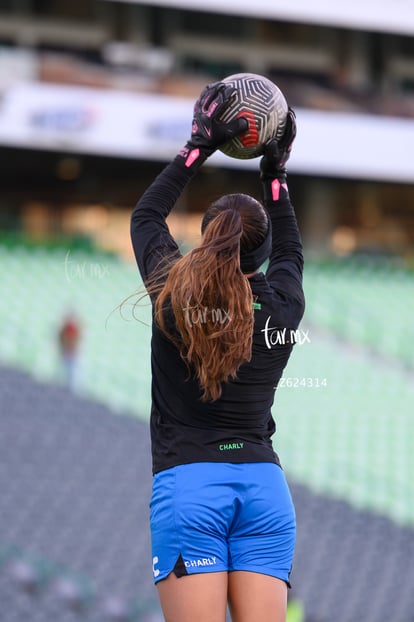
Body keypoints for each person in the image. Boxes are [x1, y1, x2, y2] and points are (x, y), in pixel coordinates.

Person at [130, 81, 305, 622]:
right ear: (265, 252)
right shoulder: (283, 307)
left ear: (206, 241)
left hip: (190, 491)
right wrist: (274, 177)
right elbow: (292, 248)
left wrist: (198, 146)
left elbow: (146, 217)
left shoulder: (175, 294)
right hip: (265, 492)